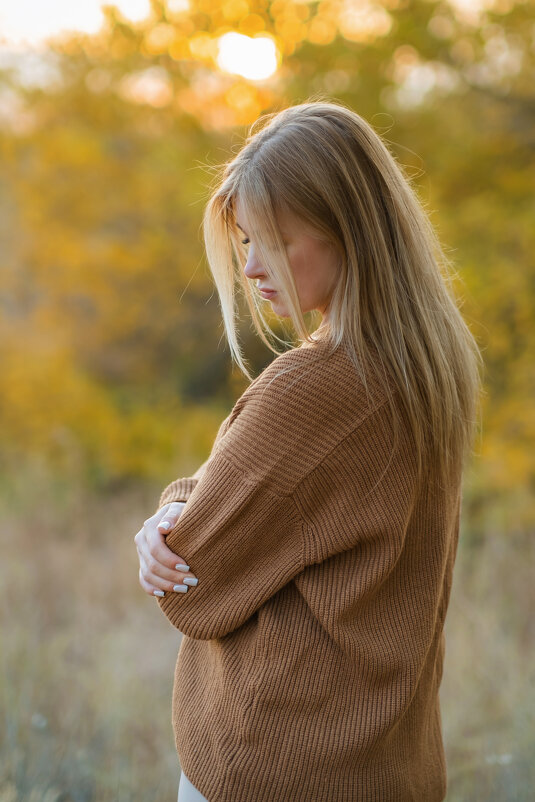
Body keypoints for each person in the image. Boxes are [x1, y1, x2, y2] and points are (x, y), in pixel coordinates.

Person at [134, 99, 482, 802]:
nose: (253, 268)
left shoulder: (313, 387)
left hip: (273, 769)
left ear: (347, 232)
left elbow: (192, 583)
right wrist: (181, 504)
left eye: (276, 240)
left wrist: (170, 516)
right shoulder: (430, 365)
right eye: (243, 242)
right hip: (389, 766)